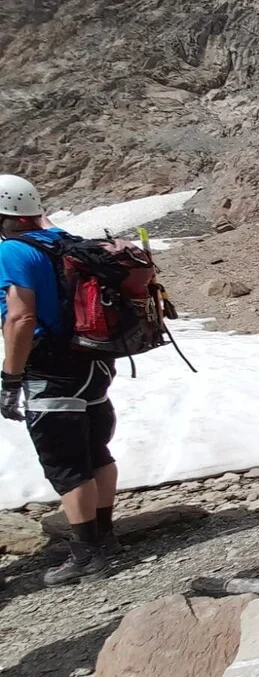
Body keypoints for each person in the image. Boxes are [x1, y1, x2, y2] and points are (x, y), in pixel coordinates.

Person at [1, 173, 120, 585]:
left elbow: (20, 316)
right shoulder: (63, 240)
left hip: (51, 368)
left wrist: (10, 378)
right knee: (96, 449)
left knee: (67, 465)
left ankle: (87, 556)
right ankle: (104, 536)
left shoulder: (15, 251)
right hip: (94, 361)